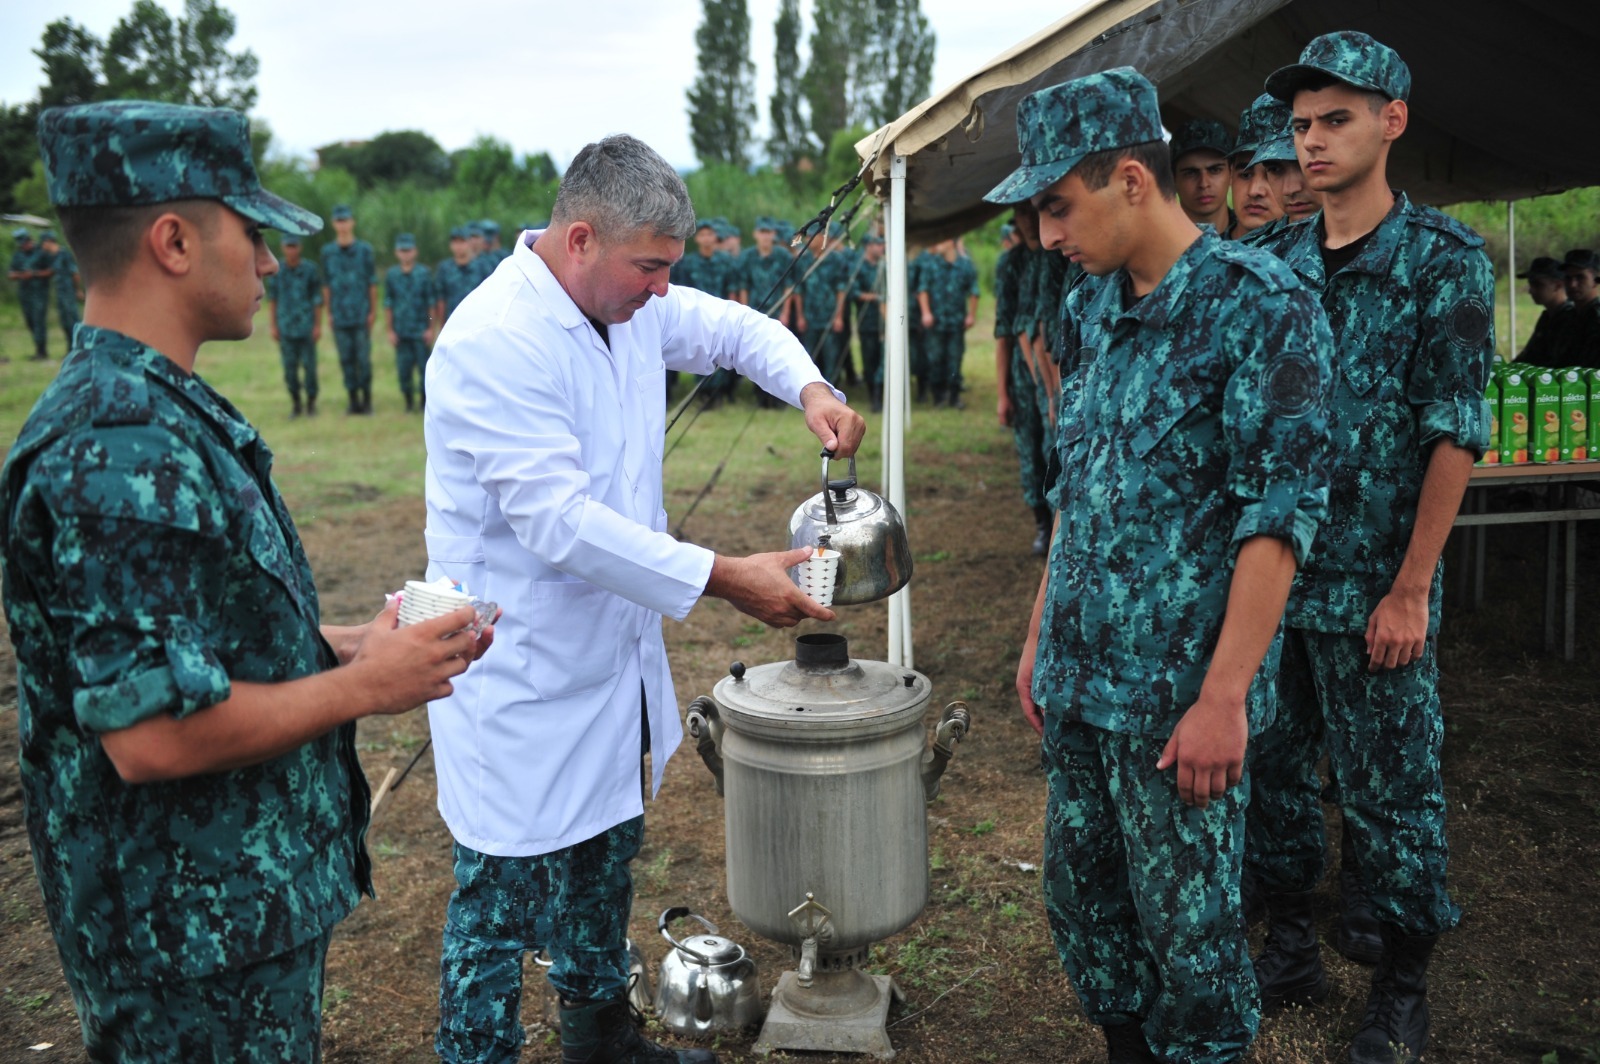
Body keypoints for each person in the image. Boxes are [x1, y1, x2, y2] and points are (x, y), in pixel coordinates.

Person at [1, 99, 494, 1064]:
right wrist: (366, 687)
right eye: (251, 232)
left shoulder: (152, 411)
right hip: (186, 948)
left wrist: (354, 642)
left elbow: (196, 653)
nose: (269, 262)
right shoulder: (117, 443)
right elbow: (149, 735)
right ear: (174, 241)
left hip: (220, 920)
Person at [422, 133, 865, 1064]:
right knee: (499, 906)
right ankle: (477, 1053)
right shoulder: (495, 339)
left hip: (608, 656)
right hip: (520, 667)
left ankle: (600, 1039)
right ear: (580, 238)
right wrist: (719, 573)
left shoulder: (630, 306)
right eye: (651, 267)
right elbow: (558, 522)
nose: (664, 288)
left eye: (671, 269)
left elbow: (740, 330)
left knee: (603, 859)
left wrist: (810, 386)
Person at [994, 67, 1334, 1064]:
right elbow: (1076, 487)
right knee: (1085, 906)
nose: (1048, 234)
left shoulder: (1260, 306)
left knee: (1191, 940)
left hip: (1176, 700)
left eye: (1059, 205)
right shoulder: (1089, 305)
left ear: (1131, 179)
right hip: (1080, 682)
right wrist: (1035, 637)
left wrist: (1224, 696)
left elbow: (1278, 519)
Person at [1243, 33, 1496, 1064]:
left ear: (1392, 119)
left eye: (1334, 118)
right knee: (1274, 775)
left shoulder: (1441, 259)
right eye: (1300, 124)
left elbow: (1455, 426)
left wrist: (1411, 586)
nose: (1310, 141)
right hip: (1277, 584)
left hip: (1372, 587)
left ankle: (1400, 982)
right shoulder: (1269, 266)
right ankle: (1292, 943)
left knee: (1390, 787)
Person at [992, 220, 1053, 554]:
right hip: (1022, 373)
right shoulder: (1011, 263)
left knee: (1054, 446)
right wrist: (1002, 393)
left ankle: (1059, 521)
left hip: (1054, 366)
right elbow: (1004, 331)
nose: (1030, 220)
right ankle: (1042, 523)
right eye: (1023, 213)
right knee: (1029, 447)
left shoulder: (1056, 254)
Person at [321, 203, 378, 414]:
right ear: (334, 224)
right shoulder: (328, 253)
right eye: (338, 221)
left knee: (363, 360)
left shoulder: (364, 251)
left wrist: (373, 311)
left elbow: (372, 283)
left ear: (352, 222)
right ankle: (353, 401)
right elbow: (326, 285)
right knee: (346, 360)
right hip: (340, 315)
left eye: (345, 220)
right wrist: (329, 313)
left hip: (361, 314)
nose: (342, 225)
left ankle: (367, 401)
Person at [916, 238, 977, 407]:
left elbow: (974, 290)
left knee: (954, 359)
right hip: (935, 323)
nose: (937, 244)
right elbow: (922, 290)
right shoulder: (931, 264)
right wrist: (926, 312)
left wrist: (971, 315)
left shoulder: (965, 265)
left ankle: (954, 396)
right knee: (935, 359)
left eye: (941, 240)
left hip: (956, 323)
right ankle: (938, 395)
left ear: (951, 241)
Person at [269, 232, 323, 417]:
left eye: (294, 246)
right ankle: (296, 403)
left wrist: (317, 325)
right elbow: (273, 299)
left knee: (310, 369)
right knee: (290, 370)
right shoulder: (277, 271)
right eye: (288, 246)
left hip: (306, 328)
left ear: (299, 247)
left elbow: (317, 299)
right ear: (283, 247)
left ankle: (311, 404)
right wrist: (273, 325)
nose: (291, 250)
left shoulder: (310, 270)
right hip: (286, 328)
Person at [385, 232, 434, 412]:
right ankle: (408, 402)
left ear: (415, 252)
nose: (405, 254)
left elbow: (430, 304)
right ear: (397, 253)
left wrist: (430, 327)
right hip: (401, 332)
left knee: (424, 370)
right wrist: (390, 330)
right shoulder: (392, 275)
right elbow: (388, 304)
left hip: (420, 332)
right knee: (404, 371)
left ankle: (423, 403)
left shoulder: (424, 274)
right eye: (402, 250)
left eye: (408, 250)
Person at [1230, 95, 1290, 238]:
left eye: (1272, 172)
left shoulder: (1311, 256)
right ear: (1230, 175)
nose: (1254, 191)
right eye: (1245, 175)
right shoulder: (1203, 255)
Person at [1169, 118, 1234, 235]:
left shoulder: (1260, 241)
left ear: (1231, 173)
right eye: (1190, 173)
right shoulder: (1155, 244)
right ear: (1173, 179)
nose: (1204, 184)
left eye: (1215, 170)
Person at [1515, 255, 1576, 364]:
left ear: (1558, 286)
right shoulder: (1547, 317)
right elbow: (1529, 355)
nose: (1531, 291)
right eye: (1531, 284)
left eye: (1538, 285)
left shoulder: (1571, 318)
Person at [852, 232, 887, 411]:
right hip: (868, 322)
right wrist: (876, 298)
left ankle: (881, 396)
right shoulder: (859, 267)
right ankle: (872, 396)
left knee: (884, 360)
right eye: (877, 244)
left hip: (886, 323)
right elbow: (854, 292)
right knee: (869, 360)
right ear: (868, 246)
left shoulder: (885, 266)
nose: (881, 247)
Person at [9, 228, 53, 359]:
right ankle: (38, 348)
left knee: (39, 320)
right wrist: (21, 275)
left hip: (39, 293)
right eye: (21, 243)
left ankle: (42, 351)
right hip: (25, 293)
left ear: (30, 240)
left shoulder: (41, 253)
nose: (24, 245)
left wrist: (34, 274)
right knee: (30, 321)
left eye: (26, 242)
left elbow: (52, 270)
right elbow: (10, 274)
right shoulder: (18, 255)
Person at [40, 230, 83, 345]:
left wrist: (77, 290)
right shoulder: (53, 257)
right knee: (65, 321)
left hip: (68, 291)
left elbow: (75, 273)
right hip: (60, 292)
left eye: (43, 243)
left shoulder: (64, 254)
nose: (42, 246)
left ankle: (79, 345)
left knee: (72, 319)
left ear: (49, 242)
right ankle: (70, 346)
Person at [1560, 248, 1600, 368]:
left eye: (1580, 277)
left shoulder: (1596, 318)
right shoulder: (1570, 315)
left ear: (1595, 281)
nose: (1572, 284)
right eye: (1568, 278)